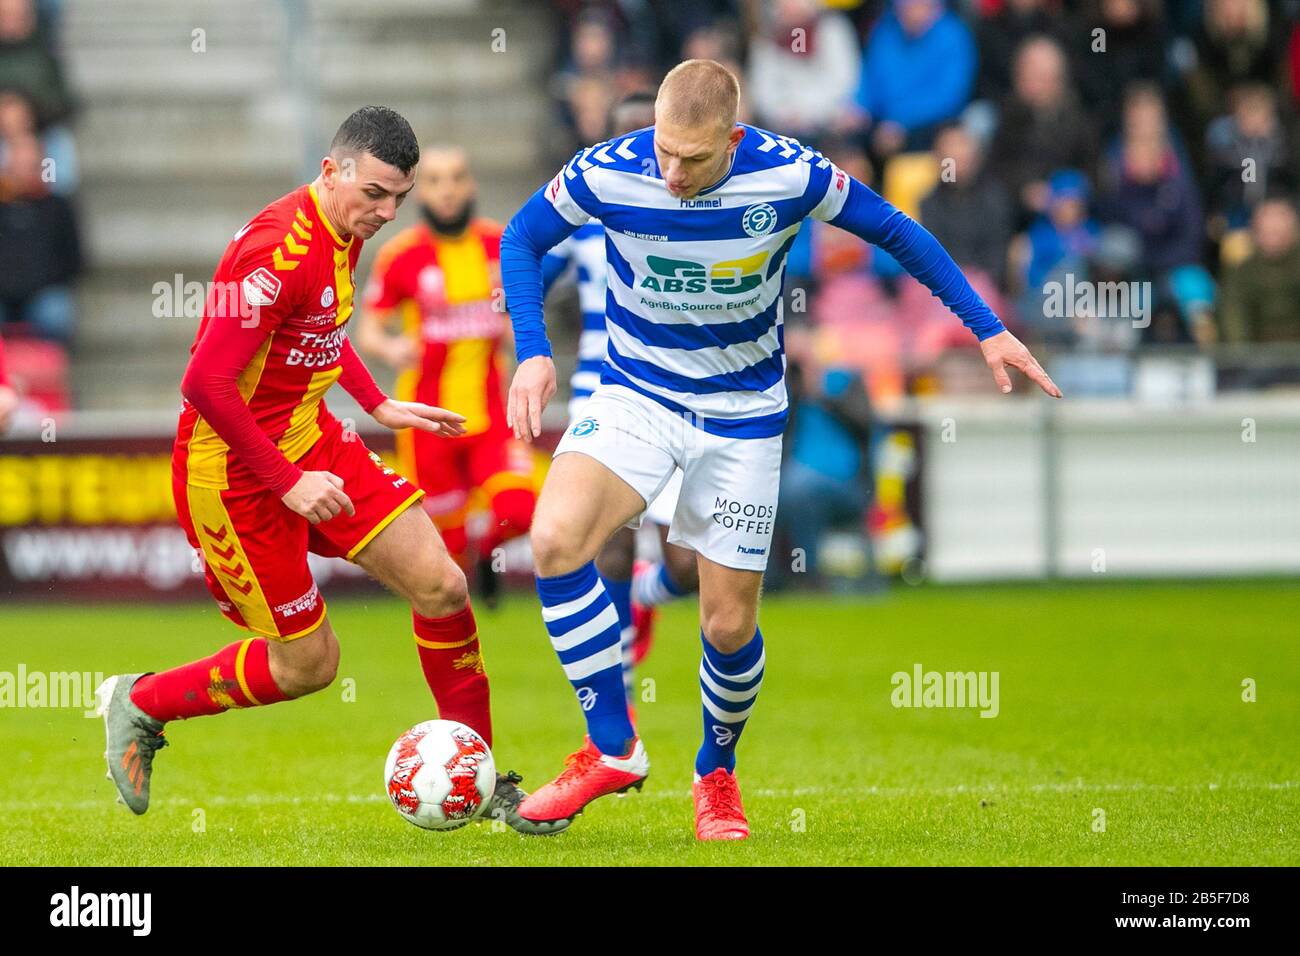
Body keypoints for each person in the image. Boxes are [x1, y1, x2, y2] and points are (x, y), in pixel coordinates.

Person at [500, 59, 1059, 840]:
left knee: (726, 625)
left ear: (733, 138)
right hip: (637, 395)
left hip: (742, 417)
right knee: (555, 540)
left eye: (692, 158)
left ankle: (716, 773)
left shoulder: (792, 174)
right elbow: (522, 237)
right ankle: (612, 746)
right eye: (662, 149)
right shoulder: (609, 170)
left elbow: (896, 231)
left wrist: (988, 327)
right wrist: (533, 349)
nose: (670, 172)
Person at [94, 107, 563, 835]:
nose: (388, 212)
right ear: (331, 170)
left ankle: (478, 778)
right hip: (235, 475)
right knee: (309, 666)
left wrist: (379, 403)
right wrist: (287, 482)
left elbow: (320, 329)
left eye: (399, 198)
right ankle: (144, 701)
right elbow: (205, 385)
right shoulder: (275, 252)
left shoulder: (341, 231)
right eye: (376, 193)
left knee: (441, 586)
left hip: (314, 439)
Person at [542, 91, 697, 684]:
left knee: (687, 565)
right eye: (627, 135)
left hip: (681, 394)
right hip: (600, 389)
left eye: (651, 137)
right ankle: (619, 686)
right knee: (609, 539)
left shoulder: (702, 217)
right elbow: (524, 263)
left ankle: (647, 597)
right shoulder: (583, 219)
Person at [358, 146, 535, 608]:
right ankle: (464, 630)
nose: (449, 189)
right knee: (445, 552)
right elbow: (370, 329)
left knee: (520, 508)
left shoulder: (500, 244)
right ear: (421, 192)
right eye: (435, 180)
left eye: (457, 177)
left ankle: (489, 550)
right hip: (428, 423)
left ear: (470, 185)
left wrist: (528, 345)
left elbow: (520, 312)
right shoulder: (403, 255)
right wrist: (393, 346)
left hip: (492, 415)